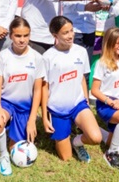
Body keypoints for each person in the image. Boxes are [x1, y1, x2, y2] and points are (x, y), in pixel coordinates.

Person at [41, 16, 102, 162]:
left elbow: (81, 77)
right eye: (65, 33)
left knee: (96, 138)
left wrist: (85, 98)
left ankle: (76, 142)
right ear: (55, 36)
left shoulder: (80, 51)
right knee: (66, 158)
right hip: (58, 109)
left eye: (71, 31)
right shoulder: (47, 57)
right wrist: (44, 116)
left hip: (78, 104)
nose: (70, 35)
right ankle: (63, 136)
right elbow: (44, 88)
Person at [0, 17, 43, 176]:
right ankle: (3, 155)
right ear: (11, 36)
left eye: (25, 35)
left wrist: (32, 119)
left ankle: (12, 141)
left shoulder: (37, 57)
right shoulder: (3, 56)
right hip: (6, 103)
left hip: (25, 107)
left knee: (18, 150)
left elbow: (38, 90)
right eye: (18, 36)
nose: (22, 40)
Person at [91, 28, 119, 169]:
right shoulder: (102, 63)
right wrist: (111, 102)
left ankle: (97, 129)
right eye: (117, 43)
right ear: (109, 44)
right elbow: (95, 90)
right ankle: (110, 154)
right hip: (106, 105)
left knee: (112, 139)